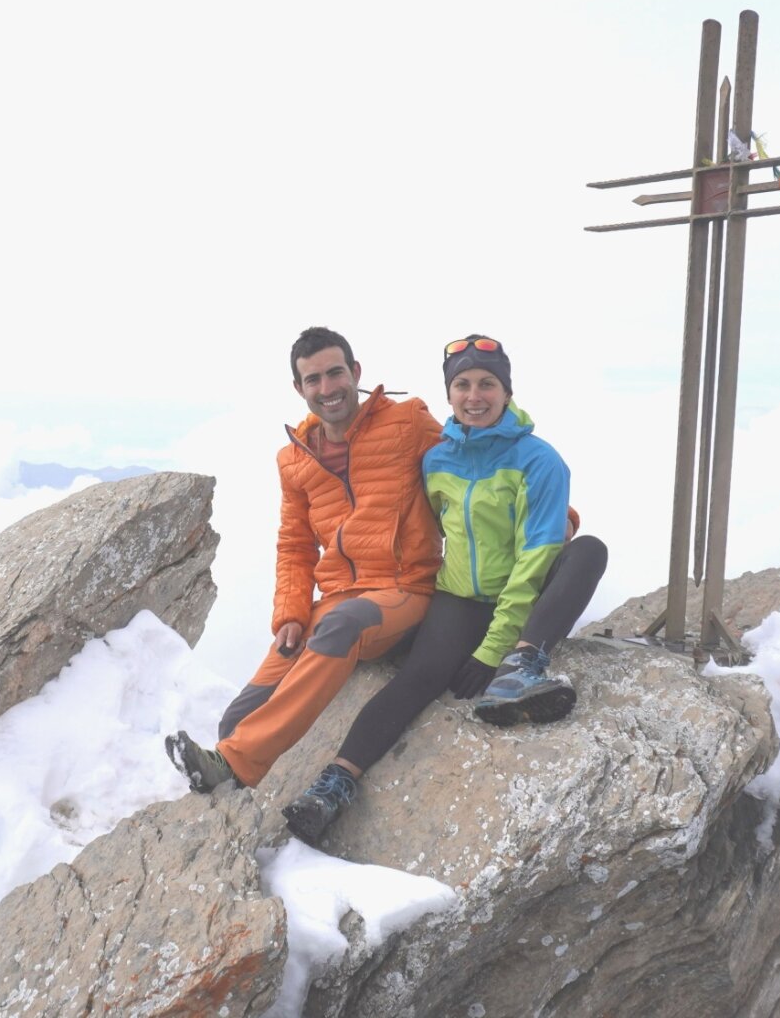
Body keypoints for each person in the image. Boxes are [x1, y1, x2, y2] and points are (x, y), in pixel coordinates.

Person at [282, 333, 608, 844]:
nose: (474, 396)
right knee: (420, 677)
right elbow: (421, 527)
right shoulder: (437, 461)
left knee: (587, 550)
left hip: (525, 590)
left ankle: (523, 667)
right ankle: (335, 784)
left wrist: (495, 649)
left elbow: (537, 555)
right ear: (449, 394)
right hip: (459, 594)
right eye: (462, 385)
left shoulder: (539, 459)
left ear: (506, 391)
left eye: (487, 384)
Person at [164, 326, 445, 795]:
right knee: (238, 719)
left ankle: (234, 765)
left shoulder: (407, 422)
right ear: (299, 389)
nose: (327, 388)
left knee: (344, 623)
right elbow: (294, 544)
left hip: (403, 589)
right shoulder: (294, 459)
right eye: (313, 379)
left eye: (335, 373)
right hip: (333, 600)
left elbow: (471, 469)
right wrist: (291, 614)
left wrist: (554, 514)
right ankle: (233, 789)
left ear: (355, 373)